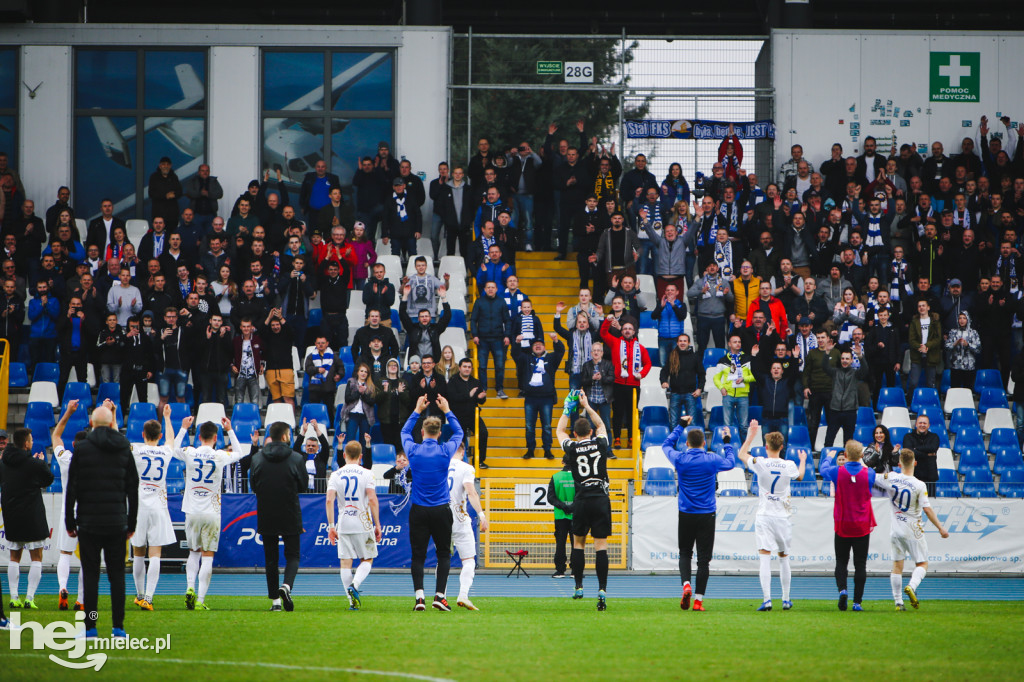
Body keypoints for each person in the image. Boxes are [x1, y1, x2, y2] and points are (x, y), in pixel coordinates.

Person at [64, 401, 137, 638]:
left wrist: (69, 521)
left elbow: (71, 488)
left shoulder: (82, 449)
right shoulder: (124, 447)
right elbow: (133, 489)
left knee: (91, 576)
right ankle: (118, 626)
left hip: (88, 522)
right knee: (117, 578)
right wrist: (132, 523)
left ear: (92, 423)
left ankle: (91, 625)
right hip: (117, 522)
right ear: (112, 423)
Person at [661, 417, 737, 612]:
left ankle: (685, 584)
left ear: (687, 443)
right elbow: (730, 463)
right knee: (704, 560)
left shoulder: (680, 459)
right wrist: (727, 442)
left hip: (686, 513)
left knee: (685, 553)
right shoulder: (711, 459)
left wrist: (680, 425)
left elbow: (666, 444)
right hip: (707, 515)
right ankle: (698, 600)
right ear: (704, 443)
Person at [172, 415, 244, 611]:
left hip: (192, 511)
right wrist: (230, 429)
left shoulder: (190, 452)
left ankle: (189, 588)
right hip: (211, 512)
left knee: (193, 553)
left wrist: (183, 428)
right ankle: (200, 600)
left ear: (199, 437)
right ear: (215, 438)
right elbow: (239, 452)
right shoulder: (219, 455)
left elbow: (173, 449)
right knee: (208, 555)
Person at [402, 394, 463, 611]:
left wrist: (417, 410)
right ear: (439, 433)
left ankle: (420, 598)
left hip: (419, 509)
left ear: (422, 432)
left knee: (417, 555)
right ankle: (439, 596)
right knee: (444, 554)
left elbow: (403, 432)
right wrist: (447, 409)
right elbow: (459, 432)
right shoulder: (446, 450)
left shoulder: (413, 450)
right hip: (441, 510)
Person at [737, 421, 806, 611]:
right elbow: (800, 476)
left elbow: (741, 455)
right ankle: (786, 599)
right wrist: (803, 460)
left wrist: (751, 435)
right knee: (784, 557)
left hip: (765, 515)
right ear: (782, 447)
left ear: (766, 446)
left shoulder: (761, 462)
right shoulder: (789, 464)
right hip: (783, 516)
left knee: (765, 557)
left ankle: (767, 599)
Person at [556, 391, 614, 611]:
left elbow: (559, 430)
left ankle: (579, 587)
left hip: (581, 499)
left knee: (578, 543)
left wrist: (567, 409)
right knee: (601, 546)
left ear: (575, 434)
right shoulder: (599, 443)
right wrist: (587, 406)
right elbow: (601, 425)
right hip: (600, 497)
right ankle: (602, 589)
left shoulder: (571, 447)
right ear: (590, 432)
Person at [874, 449, 950, 610]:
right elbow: (927, 510)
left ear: (899, 463)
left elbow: (871, 477)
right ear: (915, 463)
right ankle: (912, 586)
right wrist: (941, 528)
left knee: (897, 566)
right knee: (922, 564)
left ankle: (898, 602)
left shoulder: (892, 477)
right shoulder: (919, 484)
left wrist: (859, 461)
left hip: (895, 530)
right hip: (913, 530)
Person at [250, 421, 307, 612]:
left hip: (266, 513)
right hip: (290, 511)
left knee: (270, 559)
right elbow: (303, 486)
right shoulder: (297, 458)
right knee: (293, 556)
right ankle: (287, 586)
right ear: (284, 436)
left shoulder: (257, 458)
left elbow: (254, 486)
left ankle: (275, 602)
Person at [128, 405, 178, 611]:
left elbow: (116, 441)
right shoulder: (164, 452)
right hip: (158, 506)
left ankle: (139, 595)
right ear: (159, 435)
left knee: (138, 552)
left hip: (139, 505)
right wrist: (167, 417)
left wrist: (112, 415)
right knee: (155, 553)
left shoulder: (135, 449)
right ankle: (148, 597)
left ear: (142, 434)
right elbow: (171, 441)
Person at [819, 441, 876, 612]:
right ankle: (857, 602)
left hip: (843, 523)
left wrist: (828, 457)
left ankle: (842, 590)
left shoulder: (838, 471)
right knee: (860, 564)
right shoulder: (869, 473)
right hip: (862, 525)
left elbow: (823, 470)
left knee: (841, 561)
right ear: (860, 455)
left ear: (846, 455)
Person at [1, 427, 53, 611]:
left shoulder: (4, 462)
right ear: (26, 443)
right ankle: (29, 598)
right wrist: (40, 463)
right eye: (30, 440)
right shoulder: (34, 463)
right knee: (36, 557)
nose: (31, 443)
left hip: (11, 514)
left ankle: (14, 597)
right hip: (32, 514)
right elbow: (48, 480)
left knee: (14, 557)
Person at [326, 440, 381, 611]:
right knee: (368, 558)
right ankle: (355, 585)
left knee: (345, 563)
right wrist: (377, 524)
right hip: (362, 521)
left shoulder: (335, 474)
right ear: (361, 456)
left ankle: (351, 602)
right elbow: (372, 498)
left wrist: (331, 526)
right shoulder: (367, 473)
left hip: (344, 522)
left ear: (344, 455)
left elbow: (329, 500)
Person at [51, 403, 85, 611]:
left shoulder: (66, 458)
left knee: (65, 553)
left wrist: (68, 413)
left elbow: (55, 436)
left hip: (67, 509)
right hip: (87, 511)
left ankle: (63, 587)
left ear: (73, 443)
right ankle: (81, 600)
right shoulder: (94, 461)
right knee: (86, 557)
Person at [599, 316, 652, 448]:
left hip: (634, 385)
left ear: (634, 332)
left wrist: (642, 374)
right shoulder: (615, 342)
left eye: (630, 329)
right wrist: (608, 321)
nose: (628, 331)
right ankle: (617, 438)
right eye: (625, 329)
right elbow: (603, 333)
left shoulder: (640, 347)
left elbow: (648, 363)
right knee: (617, 412)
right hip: (618, 384)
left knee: (631, 413)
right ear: (621, 331)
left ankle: (631, 438)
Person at [447, 445, 488, 610]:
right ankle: (463, 594)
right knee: (469, 560)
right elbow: (471, 492)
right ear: (462, 452)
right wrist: (481, 515)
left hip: (440, 516)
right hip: (459, 518)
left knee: (442, 559)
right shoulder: (466, 468)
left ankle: (439, 596)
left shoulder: (440, 464)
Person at [512, 334, 566, 460]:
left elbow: (560, 351)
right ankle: (530, 449)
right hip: (530, 398)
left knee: (547, 426)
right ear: (531, 348)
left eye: (540, 345)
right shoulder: (526, 359)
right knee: (529, 426)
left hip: (546, 398)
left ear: (544, 347)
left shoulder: (551, 359)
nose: (537, 346)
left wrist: (556, 340)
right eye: (535, 345)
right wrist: (517, 342)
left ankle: (547, 449)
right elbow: (515, 354)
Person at [822, 348, 869, 449]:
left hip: (850, 411)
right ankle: (825, 462)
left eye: (847, 358)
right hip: (835, 410)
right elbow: (825, 367)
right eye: (843, 358)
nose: (844, 360)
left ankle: (847, 463)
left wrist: (860, 356)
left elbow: (865, 370)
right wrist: (827, 353)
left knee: (848, 442)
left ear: (851, 360)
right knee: (828, 440)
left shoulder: (855, 373)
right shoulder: (835, 372)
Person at [713, 334, 755, 441]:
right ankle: (729, 447)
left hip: (743, 396)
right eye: (735, 342)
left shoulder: (747, 359)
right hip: (728, 395)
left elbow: (754, 376)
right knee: (727, 425)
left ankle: (743, 449)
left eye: (739, 342)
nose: (738, 344)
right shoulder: (722, 360)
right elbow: (716, 378)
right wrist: (721, 387)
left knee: (744, 426)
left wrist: (744, 378)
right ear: (729, 344)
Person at [661, 333, 701, 426]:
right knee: (674, 423)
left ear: (689, 343)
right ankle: (675, 441)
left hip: (690, 394)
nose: (682, 343)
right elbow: (664, 371)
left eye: (685, 341)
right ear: (677, 343)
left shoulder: (695, 357)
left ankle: (691, 441)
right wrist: (664, 381)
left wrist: (699, 388)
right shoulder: (672, 356)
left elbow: (701, 374)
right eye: (680, 341)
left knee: (692, 423)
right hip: (675, 394)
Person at [546, 457, 576, 579]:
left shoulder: (555, 477)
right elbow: (582, 495)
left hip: (560, 515)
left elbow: (550, 497)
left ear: (562, 462)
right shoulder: (579, 477)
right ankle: (575, 571)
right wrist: (572, 507)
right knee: (577, 544)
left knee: (560, 543)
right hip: (576, 515)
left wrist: (563, 506)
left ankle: (560, 570)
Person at [902, 415, 940, 496]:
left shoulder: (934, 437)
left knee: (929, 503)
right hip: (913, 476)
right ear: (916, 424)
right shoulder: (908, 437)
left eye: (924, 423)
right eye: (920, 423)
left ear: (928, 425)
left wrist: (916, 448)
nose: (922, 425)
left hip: (930, 476)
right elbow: (909, 452)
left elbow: (933, 448)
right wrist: (927, 454)